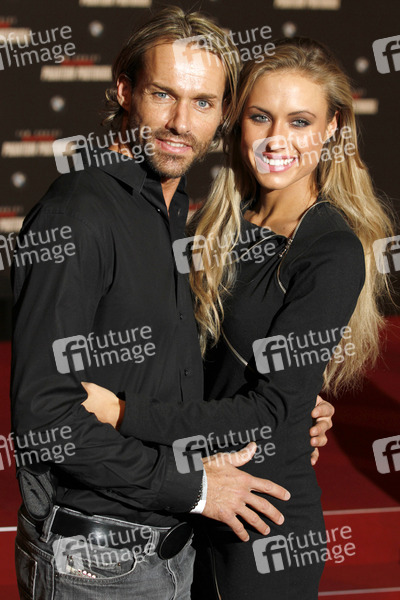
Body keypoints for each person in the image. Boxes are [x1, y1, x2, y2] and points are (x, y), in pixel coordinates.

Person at [10, 8, 334, 600]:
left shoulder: (174, 210)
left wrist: (282, 407)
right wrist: (197, 488)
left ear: (223, 114)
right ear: (124, 91)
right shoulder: (77, 215)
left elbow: (162, 366)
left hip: (171, 551)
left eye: (203, 102)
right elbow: (45, 421)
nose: (181, 123)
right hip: (97, 563)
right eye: (163, 94)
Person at [83, 37, 394, 599]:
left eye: (300, 121)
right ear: (236, 122)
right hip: (192, 500)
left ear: (332, 129)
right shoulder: (215, 225)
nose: (277, 138)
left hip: (261, 524)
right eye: (260, 116)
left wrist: (122, 412)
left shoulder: (330, 250)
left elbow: (270, 411)